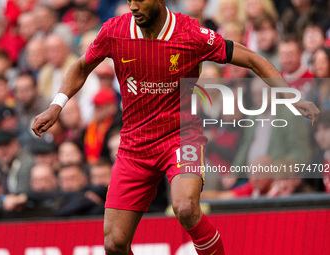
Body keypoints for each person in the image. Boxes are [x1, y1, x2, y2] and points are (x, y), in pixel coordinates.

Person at [32, 1, 320, 255]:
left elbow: (253, 58)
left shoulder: (190, 34)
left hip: (182, 137)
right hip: (134, 146)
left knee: (185, 208)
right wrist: (56, 105)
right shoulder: (115, 31)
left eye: (140, 0)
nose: (133, 6)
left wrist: (289, 96)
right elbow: (82, 66)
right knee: (114, 244)